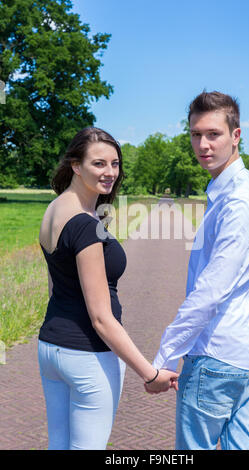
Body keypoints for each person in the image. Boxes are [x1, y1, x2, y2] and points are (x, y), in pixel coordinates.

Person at [145, 91, 249, 450]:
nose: (202, 144)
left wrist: (164, 357)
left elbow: (212, 289)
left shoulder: (238, 200)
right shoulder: (236, 188)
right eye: (195, 134)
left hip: (219, 356)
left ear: (236, 135)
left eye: (213, 134)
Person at [38, 127, 179, 450]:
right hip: (87, 355)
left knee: (58, 445)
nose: (110, 172)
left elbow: (56, 286)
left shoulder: (55, 209)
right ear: (76, 165)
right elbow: (100, 318)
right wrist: (149, 373)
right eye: (99, 164)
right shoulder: (85, 226)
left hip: (51, 349)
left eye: (115, 164)